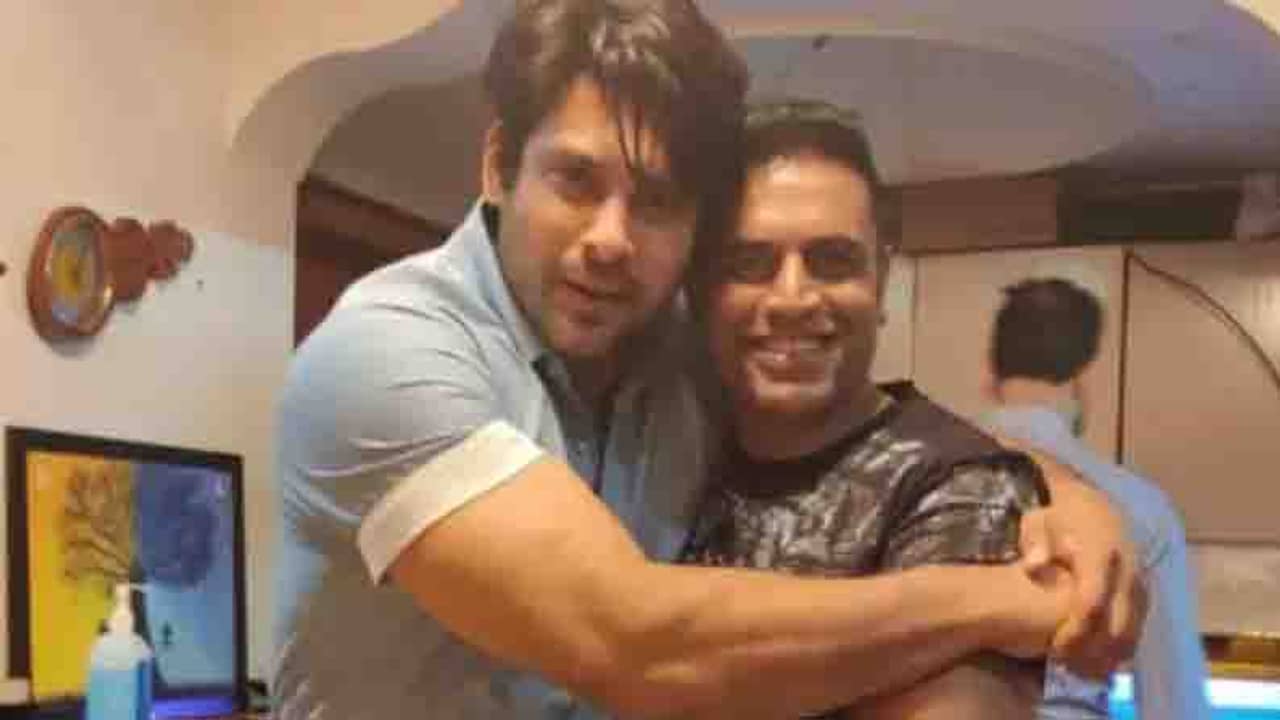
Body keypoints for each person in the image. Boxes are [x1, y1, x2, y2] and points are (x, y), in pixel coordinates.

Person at [272, 2, 1144, 718]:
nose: (610, 240)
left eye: (656, 201)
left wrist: (1067, 499)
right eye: (577, 181)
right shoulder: (388, 350)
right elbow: (628, 641)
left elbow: (873, 421)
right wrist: (1005, 600)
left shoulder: (665, 353)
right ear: (501, 166)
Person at [680, 98, 1054, 717]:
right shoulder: (663, 439)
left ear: (880, 280)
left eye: (832, 262)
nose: (792, 298)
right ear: (699, 290)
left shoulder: (960, 485)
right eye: (749, 264)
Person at [983, 278, 1211, 719]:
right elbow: (1174, 705)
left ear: (990, 373)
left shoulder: (919, 473)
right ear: (1084, 376)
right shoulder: (1140, 507)